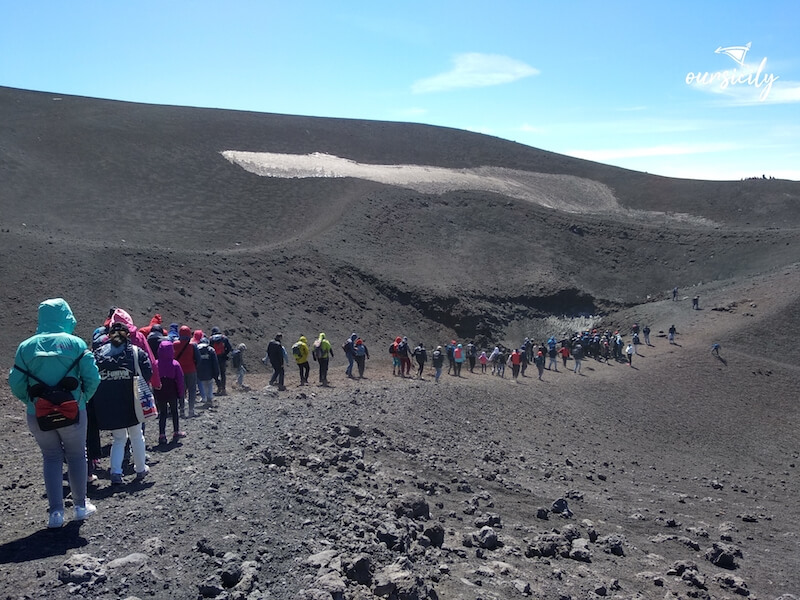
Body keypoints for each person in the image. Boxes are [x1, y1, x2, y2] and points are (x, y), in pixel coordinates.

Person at [9, 298, 102, 528]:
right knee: (77, 455)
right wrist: (82, 400)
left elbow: (16, 383)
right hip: (73, 412)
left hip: (38, 415)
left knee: (51, 457)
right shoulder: (76, 344)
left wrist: (32, 403)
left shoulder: (25, 347)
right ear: (66, 316)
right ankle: (80, 507)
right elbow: (93, 378)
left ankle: (56, 514)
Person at [92, 320, 153, 485]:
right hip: (131, 402)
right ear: (127, 335)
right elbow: (147, 372)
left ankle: (116, 473)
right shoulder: (135, 352)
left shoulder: (98, 354)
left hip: (109, 403)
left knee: (119, 438)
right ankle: (140, 469)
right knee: (136, 435)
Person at [153, 340, 186, 444]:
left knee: (162, 413)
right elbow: (180, 380)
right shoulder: (175, 364)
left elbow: (153, 378)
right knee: (174, 411)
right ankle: (176, 431)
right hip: (172, 390)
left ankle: (162, 435)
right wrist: (181, 393)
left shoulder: (156, 363)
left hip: (160, 391)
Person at [173, 325, 201, 417]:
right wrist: (195, 367)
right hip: (191, 370)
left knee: (181, 390)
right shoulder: (193, 345)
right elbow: (198, 358)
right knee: (192, 390)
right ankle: (191, 410)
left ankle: (181, 410)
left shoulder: (175, 344)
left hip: (179, 371)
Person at [196, 334, 220, 407]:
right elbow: (215, 362)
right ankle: (209, 398)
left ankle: (205, 398)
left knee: (203, 385)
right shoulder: (211, 350)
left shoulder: (197, 350)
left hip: (200, 372)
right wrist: (216, 373)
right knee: (209, 384)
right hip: (210, 372)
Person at [209, 327, 233, 396]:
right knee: (223, 373)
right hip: (222, 358)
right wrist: (225, 354)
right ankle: (224, 389)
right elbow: (229, 348)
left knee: (215, 373)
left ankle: (219, 386)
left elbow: (209, 349)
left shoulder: (211, 339)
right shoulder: (224, 338)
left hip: (214, 358)